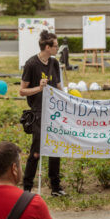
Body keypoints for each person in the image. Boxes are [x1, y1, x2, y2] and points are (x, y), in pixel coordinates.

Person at [19, 30, 66, 196]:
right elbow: (22, 91)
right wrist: (39, 88)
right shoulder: (31, 64)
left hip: (54, 112)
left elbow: (59, 87)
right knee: (36, 151)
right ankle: (26, 188)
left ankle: (56, 187)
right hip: (38, 112)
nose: (57, 48)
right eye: (55, 46)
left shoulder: (53, 63)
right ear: (47, 47)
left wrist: (68, 100)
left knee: (56, 149)